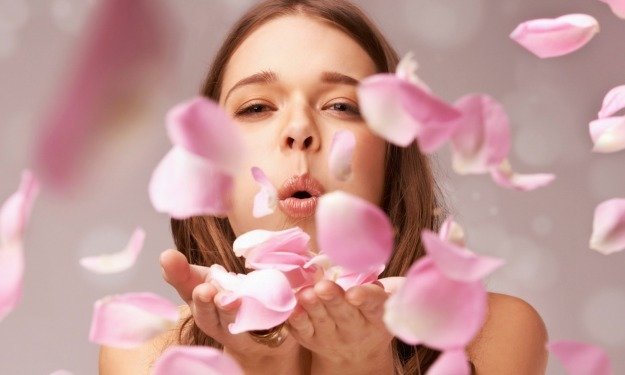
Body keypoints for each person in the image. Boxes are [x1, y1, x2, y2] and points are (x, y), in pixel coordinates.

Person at [99, 0, 549, 373]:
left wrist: (363, 366)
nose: (299, 130)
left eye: (340, 105)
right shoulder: (144, 355)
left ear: (393, 156)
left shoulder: (492, 333)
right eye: (256, 107)